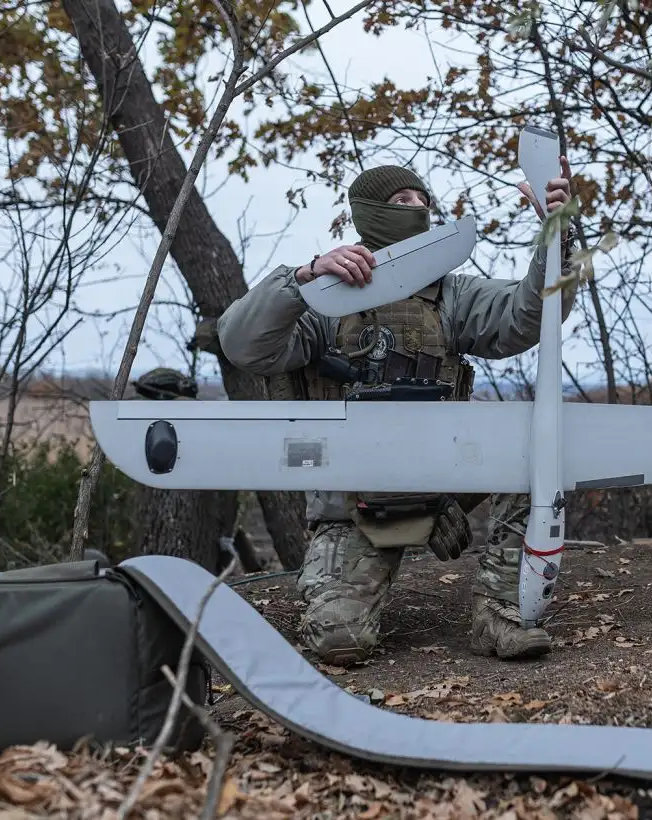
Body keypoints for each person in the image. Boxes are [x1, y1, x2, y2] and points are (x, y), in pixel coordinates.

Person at [216, 160, 579, 665]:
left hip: (445, 481)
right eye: (401, 201)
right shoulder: (324, 300)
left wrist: (556, 236)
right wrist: (302, 277)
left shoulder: (452, 295)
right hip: (356, 504)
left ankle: (500, 611)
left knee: (526, 456)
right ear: (367, 212)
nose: (419, 209)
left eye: (422, 200)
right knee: (339, 641)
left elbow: (528, 316)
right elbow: (242, 345)